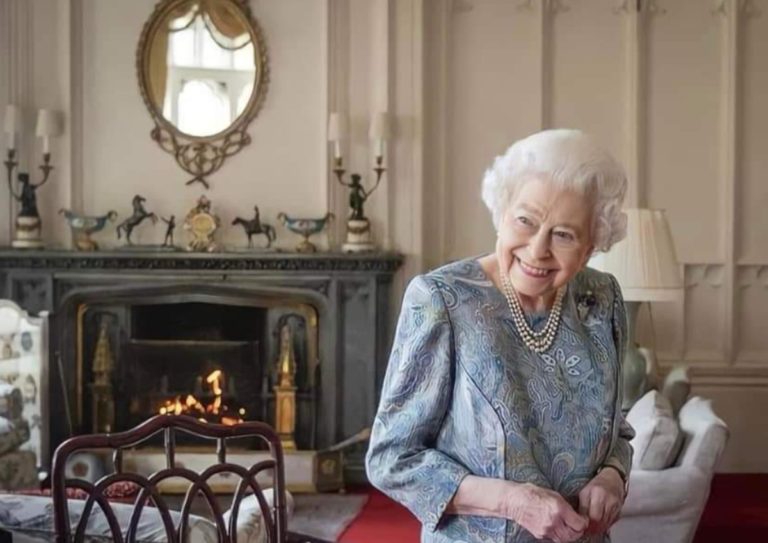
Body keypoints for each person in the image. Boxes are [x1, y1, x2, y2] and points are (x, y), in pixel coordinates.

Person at [366, 129, 634, 543]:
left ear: (593, 244)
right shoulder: (443, 300)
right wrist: (512, 502)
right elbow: (391, 459)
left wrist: (613, 477)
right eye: (525, 221)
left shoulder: (603, 299)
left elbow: (618, 427)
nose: (538, 249)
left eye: (564, 234)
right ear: (501, 210)